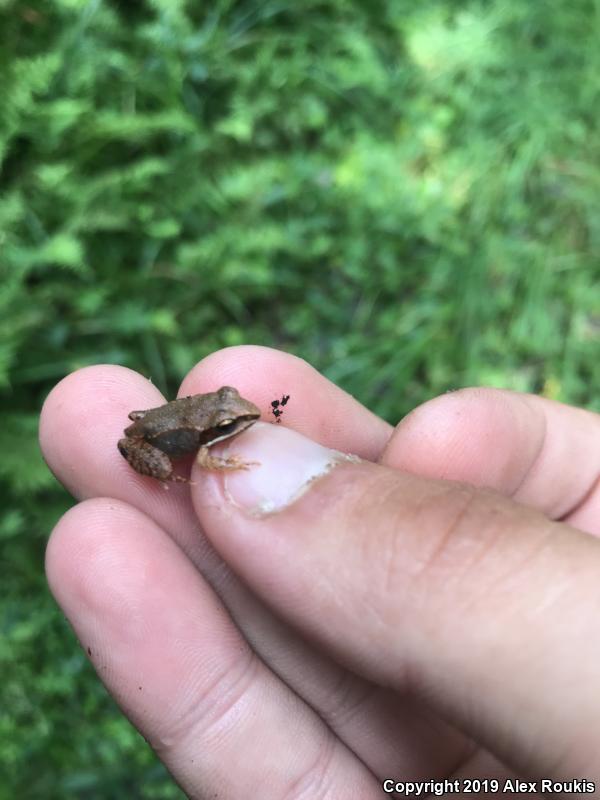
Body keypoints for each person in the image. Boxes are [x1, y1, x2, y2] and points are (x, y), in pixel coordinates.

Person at [40, 346, 600, 797]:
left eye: (235, 411)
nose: (247, 418)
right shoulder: (208, 443)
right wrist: (212, 464)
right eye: (233, 418)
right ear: (218, 425)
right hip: (156, 435)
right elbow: (206, 457)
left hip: (160, 419)